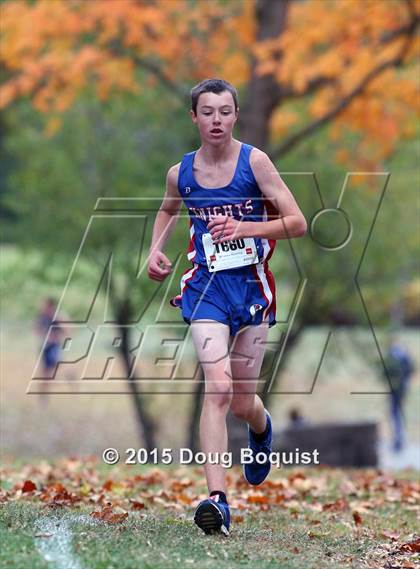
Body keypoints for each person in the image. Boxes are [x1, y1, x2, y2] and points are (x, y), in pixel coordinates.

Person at [147, 78, 307, 536]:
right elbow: (167, 209)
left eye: (224, 111)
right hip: (206, 290)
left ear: (235, 115)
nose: (216, 120)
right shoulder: (181, 172)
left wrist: (245, 229)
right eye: (207, 112)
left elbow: (296, 222)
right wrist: (155, 250)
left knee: (240, 402)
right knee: (216, 388)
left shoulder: (254, 162)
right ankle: (217, 500)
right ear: (193, 118)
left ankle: (260, 426)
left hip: (252, 289)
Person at [381, 338, 415, 452]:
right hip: (401, 388)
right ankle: (400, 434)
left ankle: (398, 435)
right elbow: (411, 369)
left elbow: (384, 372)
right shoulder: (404, 355)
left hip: (395, 388)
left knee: (394, 412)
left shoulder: (392, 355)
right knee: (397, 411)